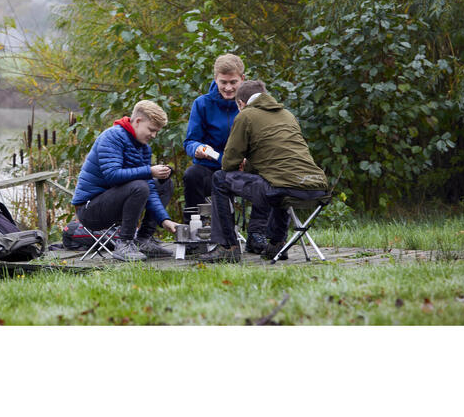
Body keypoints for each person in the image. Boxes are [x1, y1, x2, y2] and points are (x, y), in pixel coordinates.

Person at [201, 80, 329, 263]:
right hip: (317, 188)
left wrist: (241, 164)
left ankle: (228, 247)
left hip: (283, 187)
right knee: (278, 179)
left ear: (241, 103)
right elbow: (278, 157)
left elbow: (229, 162)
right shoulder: (287, 115)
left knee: (220, 179)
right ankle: (278, 244)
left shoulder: (246, 115)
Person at [182, 53, 271, 254]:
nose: (229, 88)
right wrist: (196, 148)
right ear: (215, 79)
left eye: (233, 82)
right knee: (191, 175)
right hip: (211, 169)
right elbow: (189, 141)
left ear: (242, 78)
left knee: (269, 177)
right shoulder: (202, 104)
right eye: (223, 82)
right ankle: (194, 235)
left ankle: (257, 234)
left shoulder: (255, 105)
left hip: (244, 170)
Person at [71, 100, 178, 261]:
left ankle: (144, 240)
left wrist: (164, 219)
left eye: (157, 132)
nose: (154, 135)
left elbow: (149, 187)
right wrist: (149, 171)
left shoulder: (143, 147)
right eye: (151, 130)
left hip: (114, 203)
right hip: (89, 209)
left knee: (165, 184)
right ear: (138, 121)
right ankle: (124, 243)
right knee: (139, 186)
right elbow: (112, 175)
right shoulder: (112, 136)